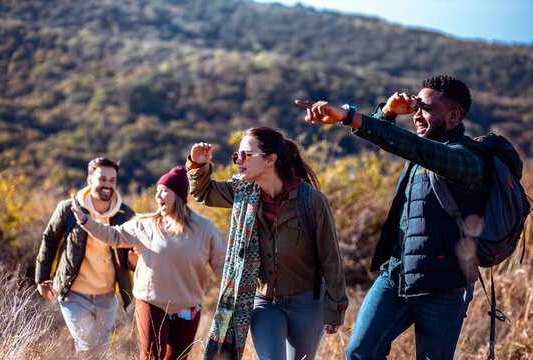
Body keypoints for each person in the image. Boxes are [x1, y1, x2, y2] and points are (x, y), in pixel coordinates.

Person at [296, 75, 486, 360]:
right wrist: (387, 113)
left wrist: (348, 115)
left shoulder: (466, 159)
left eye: (427, 108)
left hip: (445, 284)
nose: (418, 114)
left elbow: (410, 146)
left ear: (455, 115)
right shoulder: (421, 151)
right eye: (416, 106)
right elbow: (394, 140)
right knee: (360, 352)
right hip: (397, 274)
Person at [187, 126, 349, 360]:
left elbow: (330, 258)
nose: (239, 161)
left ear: (271, 159)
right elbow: (203, 192)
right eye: (237, 156)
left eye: (247, 155)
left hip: (308, 303)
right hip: (264, 302)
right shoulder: (241, 192)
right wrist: (197, 163)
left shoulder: (311, 201)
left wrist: (335, 309)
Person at [71, 165, 227, 360]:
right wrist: (86, 221)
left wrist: (234, 295)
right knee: (151, 356)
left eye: (164, 191)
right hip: (151, 301)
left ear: (178, 195)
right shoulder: (145, 224)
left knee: (178, 358)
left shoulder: (204, 229)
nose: (158, 196)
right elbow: (113, 235)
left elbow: (223, 263)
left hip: (189, 305)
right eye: (157, 191)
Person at [35, 157, 136, 358]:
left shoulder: (124, 214)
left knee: (98, 350)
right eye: (103, 179)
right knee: (87, 342)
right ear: (90, 179)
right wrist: (42, 278)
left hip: (107, 296)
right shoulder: (69, 209)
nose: (108, 185)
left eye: (112, 180)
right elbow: (50, 241)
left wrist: (133, 262)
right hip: (74, 294)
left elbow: (132, 252)